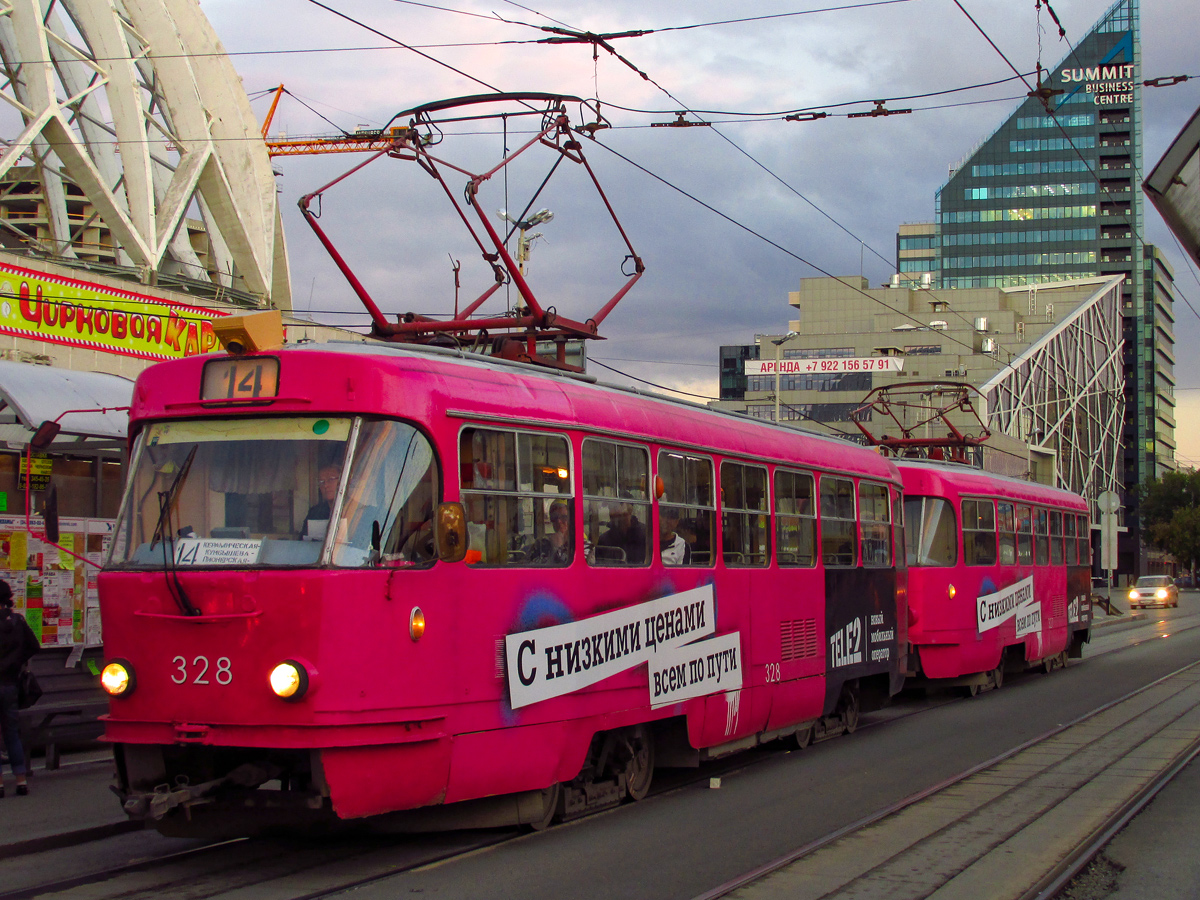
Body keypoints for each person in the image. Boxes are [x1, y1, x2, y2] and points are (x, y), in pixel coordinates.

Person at [0, 580, 38, 797]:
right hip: (10, 684)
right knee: (12, 734)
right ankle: (21, 780)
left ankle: (0, 785)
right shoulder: (17, 621)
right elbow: (34, 647)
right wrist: (16, 663)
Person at [303, 463, 341, 540]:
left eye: (330, 479)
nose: (326, 485)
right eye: (321, 482)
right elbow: (302, 541)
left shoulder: (357, 510)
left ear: (342, 481)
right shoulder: (314, 513)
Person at [530, 500, 573, 565]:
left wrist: (558, 548)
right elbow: (531, 566)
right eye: (554, 517)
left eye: (564, 517)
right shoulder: (542, 543)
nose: (559, 521)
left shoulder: (582, 545)